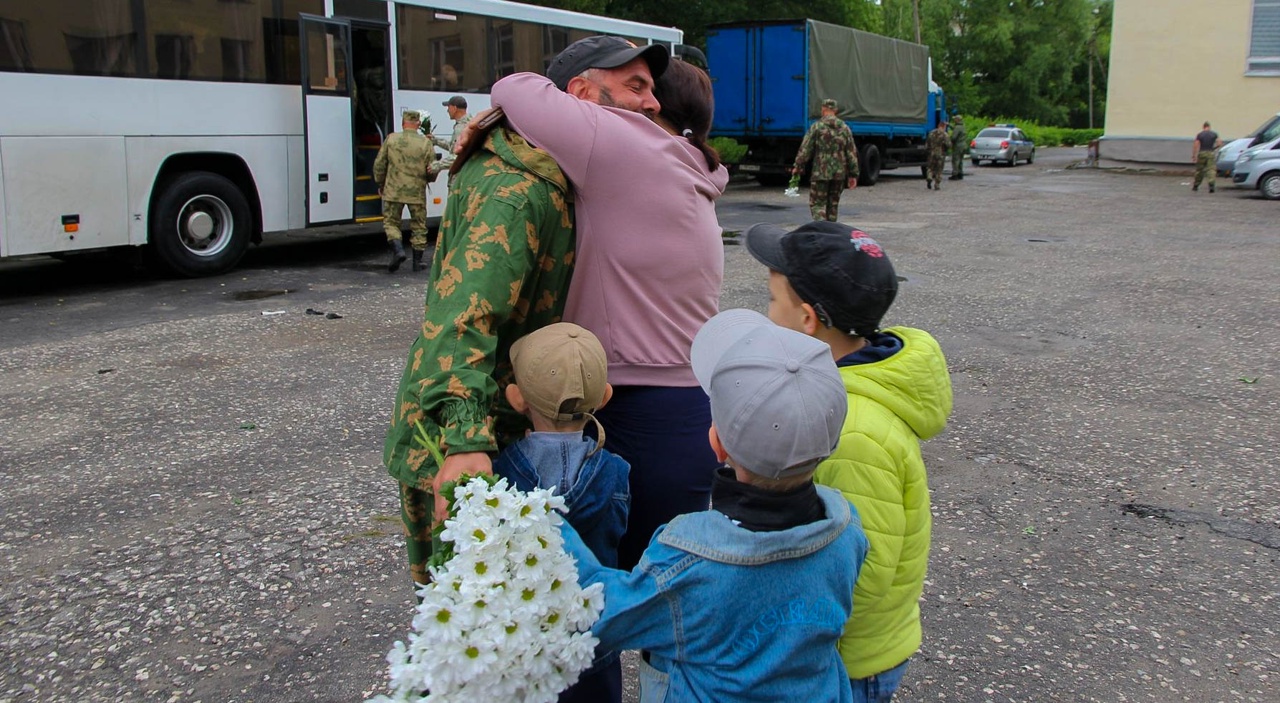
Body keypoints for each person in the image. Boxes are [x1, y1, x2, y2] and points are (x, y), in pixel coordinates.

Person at [489, 40, 729, 572]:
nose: (648, 105)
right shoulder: (683, 166)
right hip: (685, 403)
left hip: (636, 404)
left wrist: (490, 122)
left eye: (651, 91)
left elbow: (513, 86)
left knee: (593, 589)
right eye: (636, 87)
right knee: (663, 591)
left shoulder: (623, 145)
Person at [559, 308, 870, 703]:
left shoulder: (690, 558)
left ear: (717, 444)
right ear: (830, 443)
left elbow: (604, 614)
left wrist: (550, 522)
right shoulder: (846, 528)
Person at [744, 220, 953, 703]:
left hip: (844, 662)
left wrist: (778, 624)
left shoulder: (852, 430)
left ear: (807, 321)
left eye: (772, 302)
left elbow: (863, 575)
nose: (766, 312)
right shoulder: (835, 392)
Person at [381, 109, 575, 590]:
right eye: (635, 85)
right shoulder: (518, 191)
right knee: (472, 613)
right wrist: (465, 439)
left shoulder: (531, 166)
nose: (651, 101)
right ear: (580, 94)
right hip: (464, 439)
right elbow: (465, 317)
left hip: (484, 426)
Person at [493, 322, 631, 703]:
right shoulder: (616, 472)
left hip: (523, 646)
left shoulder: (500, 473)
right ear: (605, 396)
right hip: (593, 641)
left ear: (517, 399)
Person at [373, 109, 434, 272]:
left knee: (391, 222)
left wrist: (381, 184)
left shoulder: (391, 139)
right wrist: (428, 180)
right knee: (419, 226)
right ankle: (417, 262)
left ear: (403, 123)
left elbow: (379, 164)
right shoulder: (425, 143)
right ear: (418, 124)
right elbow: (432, 169)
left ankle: (398, 250)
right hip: (416, 192)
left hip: (393, 190)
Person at [792, 98, 859, 222]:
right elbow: (851, 153)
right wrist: (853, 175)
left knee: (817, 204)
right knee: (833, 205)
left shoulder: (817, 127)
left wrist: (798, 166)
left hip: (820, 173)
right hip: (839, 174)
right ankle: (831, 232)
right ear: (836, 110)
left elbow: (806, 149)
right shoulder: (844, 128)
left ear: (823, 109)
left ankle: (822, 229)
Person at [429, 95, 472, 178]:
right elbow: (453, 147)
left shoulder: (461, 128)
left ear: (454, 108)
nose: (447, 111)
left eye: (448, 107)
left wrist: (437, 165)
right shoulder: (468, 123)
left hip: (460, 177)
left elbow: (459, 156)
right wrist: (436, 141)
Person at [1192, 121, 1222, 193]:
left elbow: (1196, 145)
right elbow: (1219, 143)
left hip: (1202, 152)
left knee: (1199, 170)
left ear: (1203, 127)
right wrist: (1214, 148)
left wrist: (1194, 155)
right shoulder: (1214, 134)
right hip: (1210, 153)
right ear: (1209, 127)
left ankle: (1196, 185)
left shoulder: (1200, 134)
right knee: (1211, 170)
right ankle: (1211, 184)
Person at [925, 120, 950, 191]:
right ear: (943, 126)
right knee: (939, 169)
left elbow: (927, 145)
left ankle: (929, 176)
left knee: (930, 167)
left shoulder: (931, 133)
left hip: (931, 153)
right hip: (940, 153)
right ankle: (937, 184)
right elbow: (948, 145)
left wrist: (928, 151)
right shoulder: (945, 135)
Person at [948, 115, 968, 181]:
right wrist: (949, 125)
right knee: (960, 160)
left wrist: (949, 140)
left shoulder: (957, 127)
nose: (954, 120)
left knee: (955, 160)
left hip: (958, 146)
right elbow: (955, 128)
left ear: (957, 120)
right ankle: (960, 173)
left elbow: (954, 137)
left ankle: (955, 174)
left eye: (955, 119)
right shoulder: (962, 126)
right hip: (963, 146)